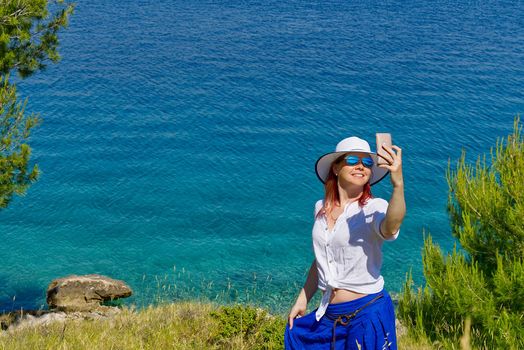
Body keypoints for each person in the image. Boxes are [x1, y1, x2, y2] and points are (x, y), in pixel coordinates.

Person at [284, 136, 405, 350]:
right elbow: (322, 259)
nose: (361, 166)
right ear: (336, 168)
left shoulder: (373, 207)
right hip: (329, 315)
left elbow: (390, 226)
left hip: (366, 313)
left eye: (367, 162)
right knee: (295, 335)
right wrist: (303, 298)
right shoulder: (320, 208)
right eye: (352, 160)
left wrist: (398, 185)